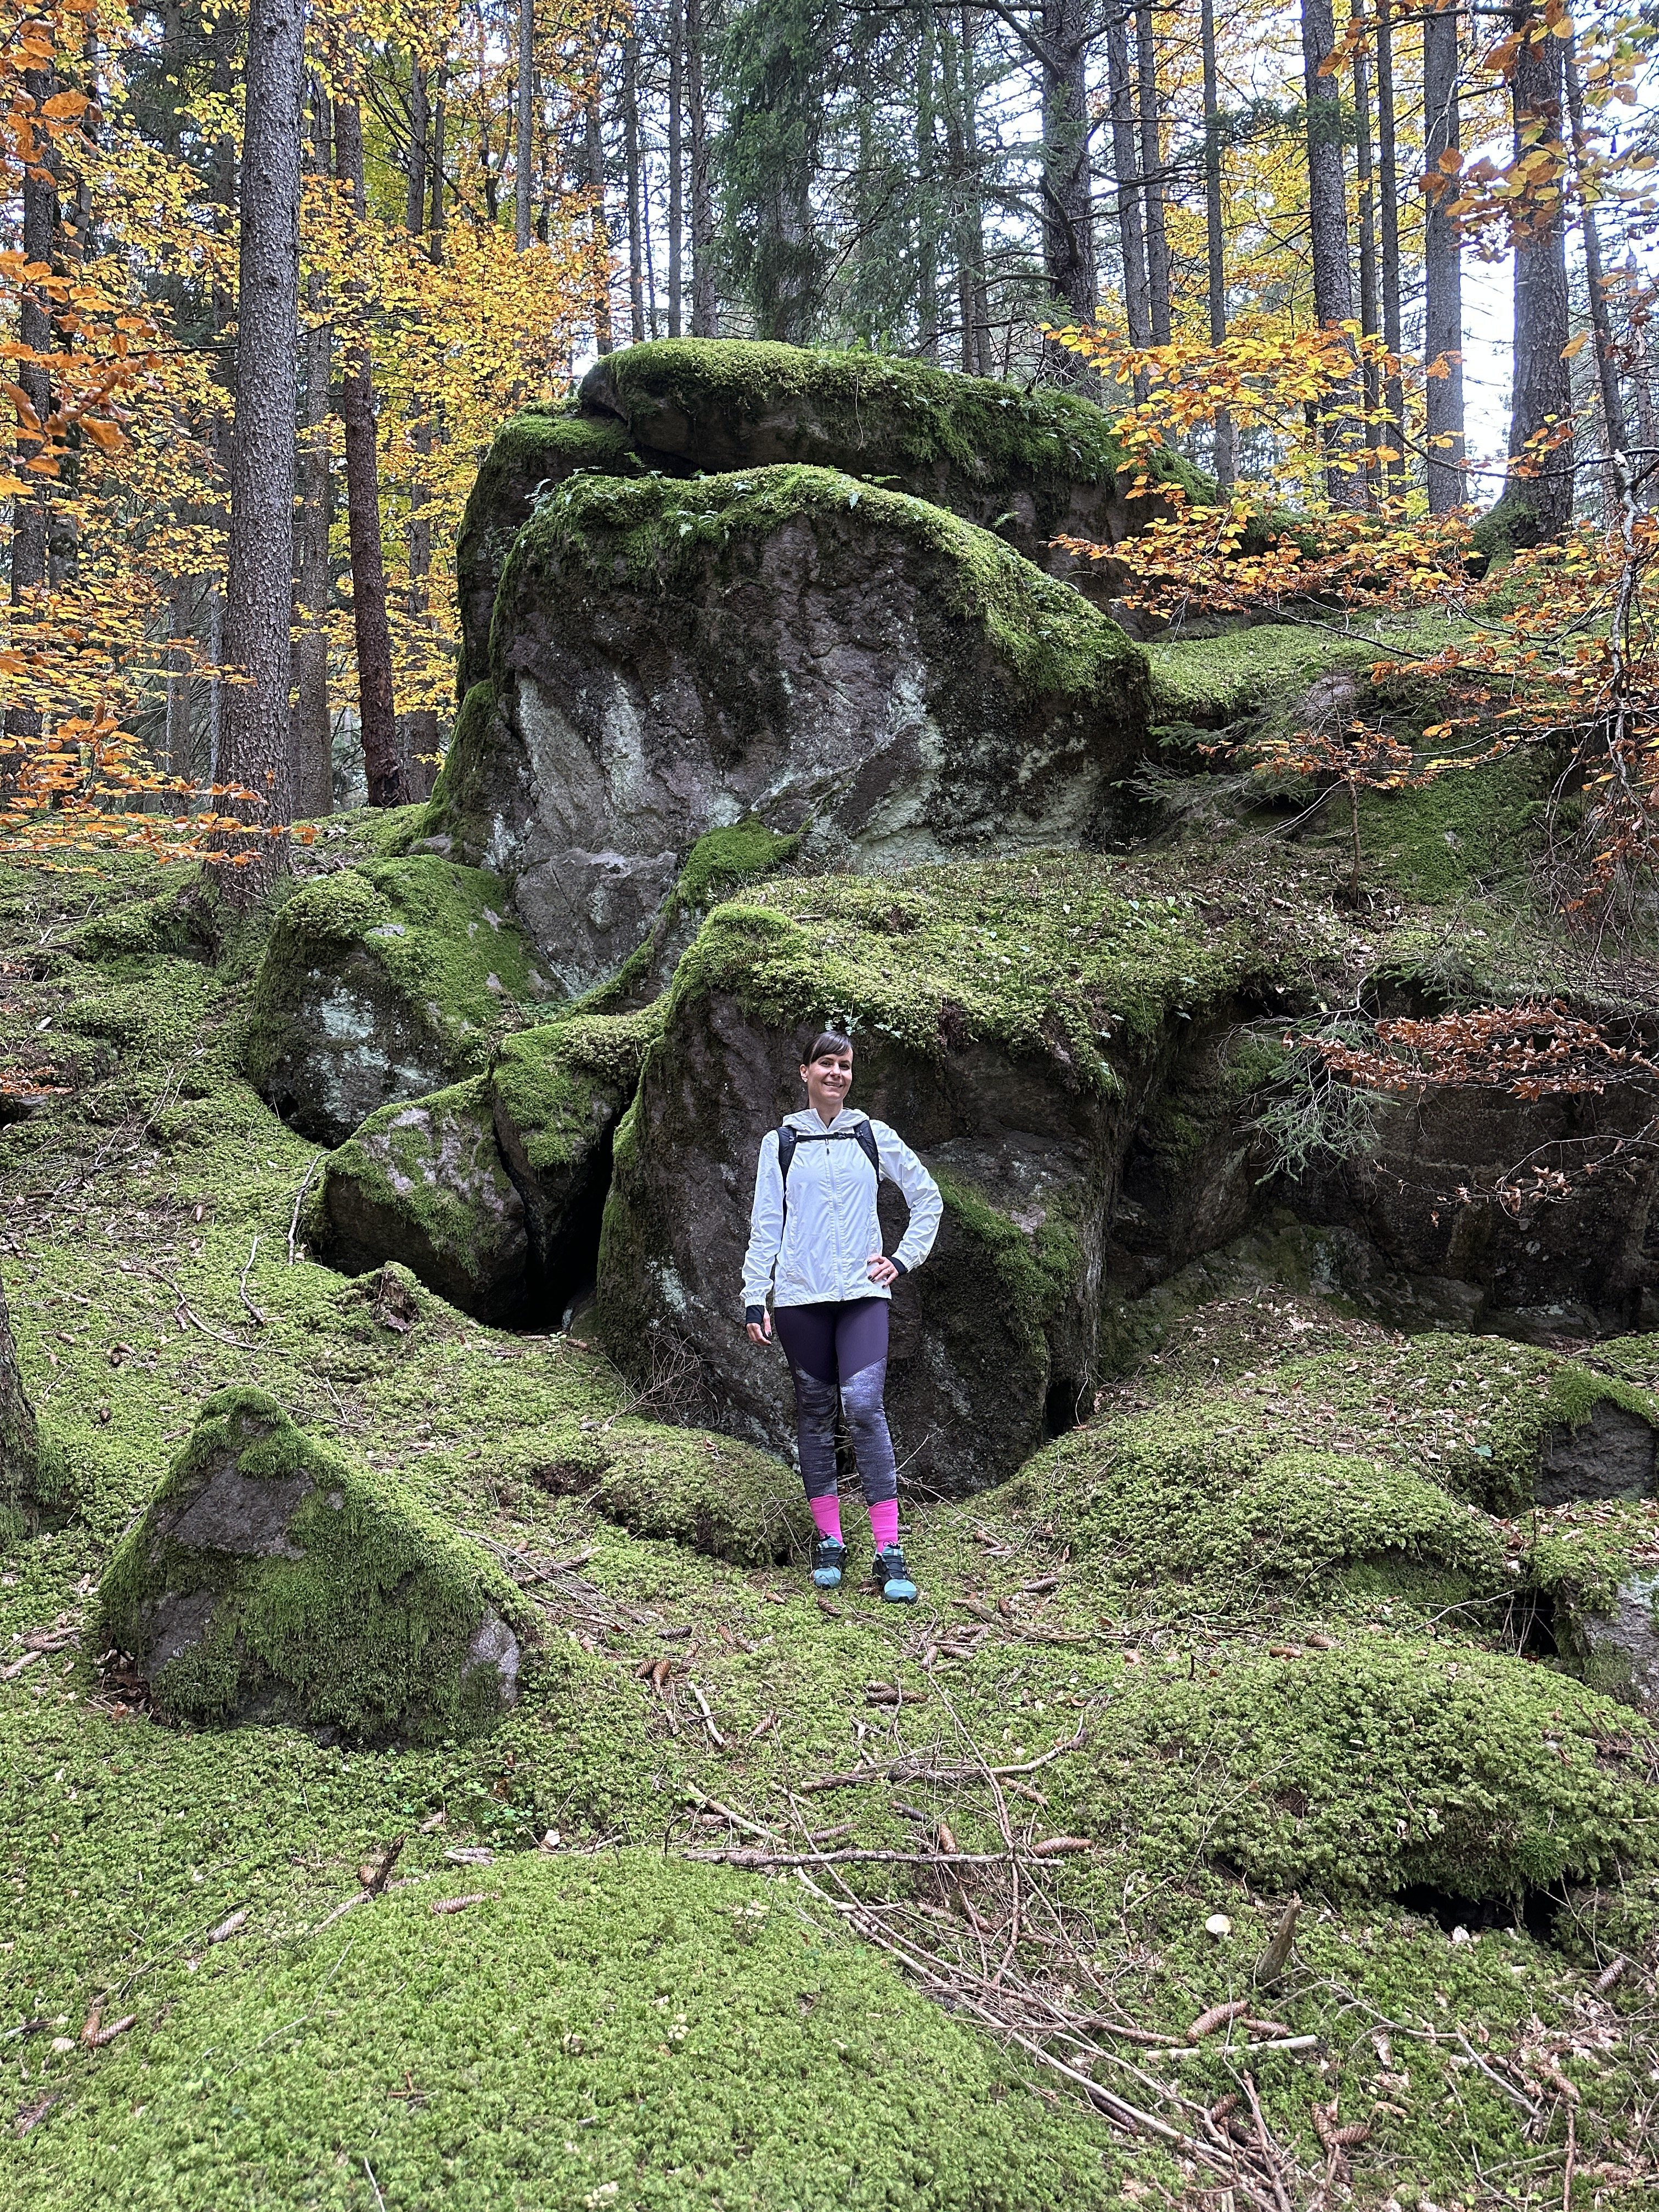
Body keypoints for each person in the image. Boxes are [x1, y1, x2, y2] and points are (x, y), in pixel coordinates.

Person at [742, 1028, 942, 1601]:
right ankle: (830, 1539)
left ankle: (889, 1549)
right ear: (804, 1072)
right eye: (825, 1063)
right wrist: (756, 1294)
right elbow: (766, 1226)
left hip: (861, 1295)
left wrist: (902, 1259)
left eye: (845, 1065)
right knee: (813, 1410)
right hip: (802, 1298)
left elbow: (927, 1197)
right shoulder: (779, 1143)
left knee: (863, 1407)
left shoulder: (872, 1136)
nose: (836, 1072)